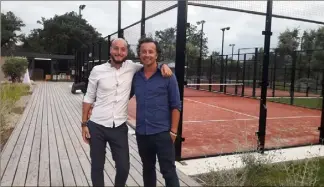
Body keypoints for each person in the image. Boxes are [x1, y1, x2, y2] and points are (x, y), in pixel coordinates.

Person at [81, 38, 173, 187]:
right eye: (116, 48)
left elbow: (149, 63)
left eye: (123, 49)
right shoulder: (97, 70)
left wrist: (163, 65)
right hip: (96, 125)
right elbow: (88, 97)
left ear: (127, 52)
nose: (119, 52)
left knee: (124, 168)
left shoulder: (132, 67)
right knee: (97, 166)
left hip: (119, 127)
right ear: (110, 50)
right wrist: (84, 123)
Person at [130, 37, 181, 187]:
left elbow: (176, 105)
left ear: (156, 55)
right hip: (142, 133)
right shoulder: (136, 77)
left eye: (150, 51)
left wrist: (173, 132)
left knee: (168, 172)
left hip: (162, 134)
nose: (147, 54)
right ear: (139, 55)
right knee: (148, 170)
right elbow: (123, 95)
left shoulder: (168, 76)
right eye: (143, 52)